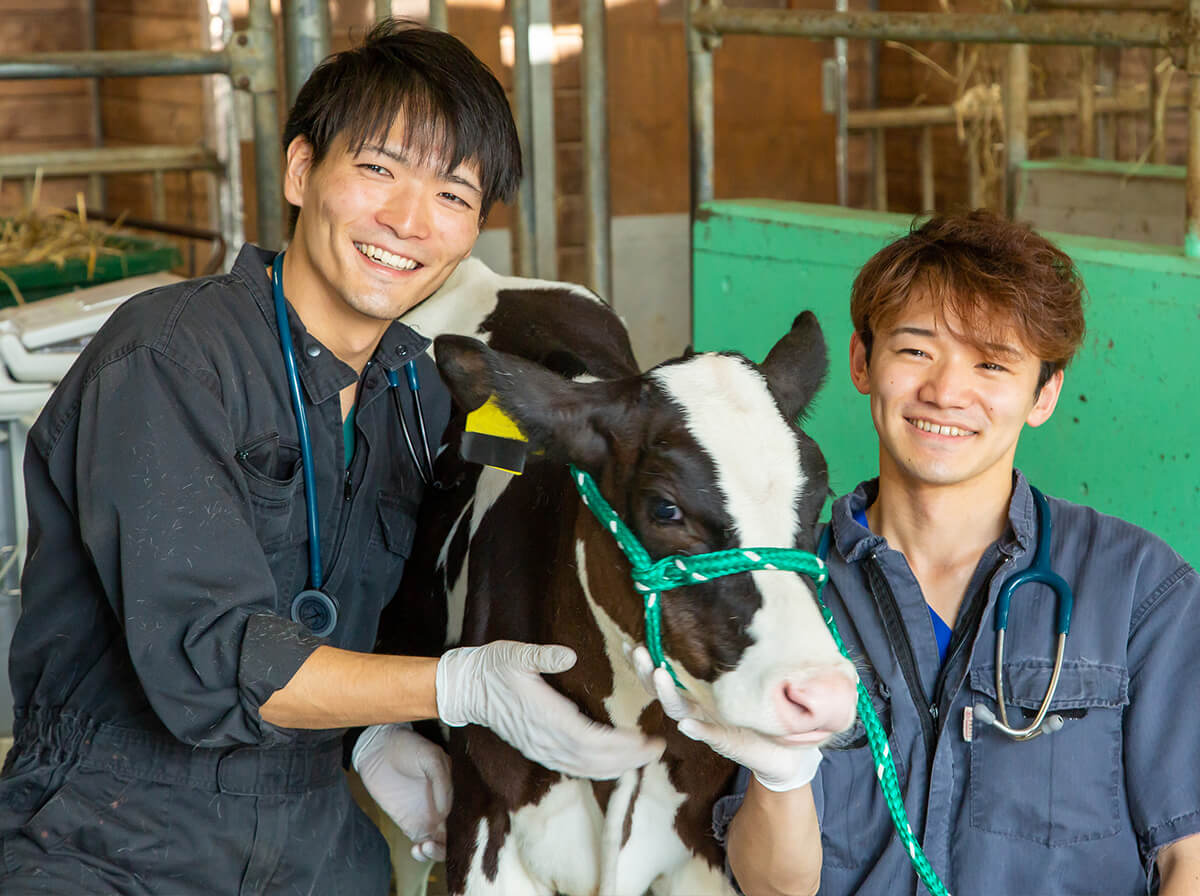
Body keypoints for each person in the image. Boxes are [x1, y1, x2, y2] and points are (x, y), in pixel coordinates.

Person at [0, 20, 660, 895]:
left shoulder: (416, 395)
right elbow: (218, 656)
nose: (408, 222)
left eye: (454, 197)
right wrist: (455, 689)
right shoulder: (168, 358)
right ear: (302, 170)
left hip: (317, 837)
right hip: (113, 833)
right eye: (380, 169)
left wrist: (367, 736)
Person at [639, 210, 1200, 895]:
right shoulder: (779, 590)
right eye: (916, 350)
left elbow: (1188, 860)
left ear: (1044, 394)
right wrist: (779, 772)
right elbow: (772, 888)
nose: (945, 391)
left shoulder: (1139, 588)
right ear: (861, 362)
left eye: (992, 363)